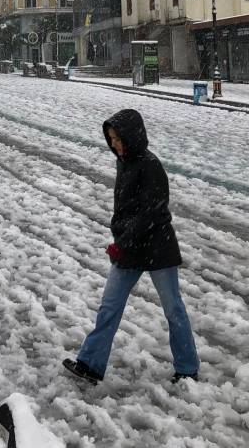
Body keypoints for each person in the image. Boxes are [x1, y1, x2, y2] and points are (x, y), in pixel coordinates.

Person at [63, 109, 199, 386]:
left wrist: (121, 243)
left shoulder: (151, 165)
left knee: (173, 309)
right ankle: (90, 363)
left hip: (157, 247)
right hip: (130, 248)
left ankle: (187, 368)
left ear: (132, 136)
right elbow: (124, 210)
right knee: (109, 307)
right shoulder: (124, 162)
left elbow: (150, 213)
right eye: (111, 139)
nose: (114, 144)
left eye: (117, 138)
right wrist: (119, 237)